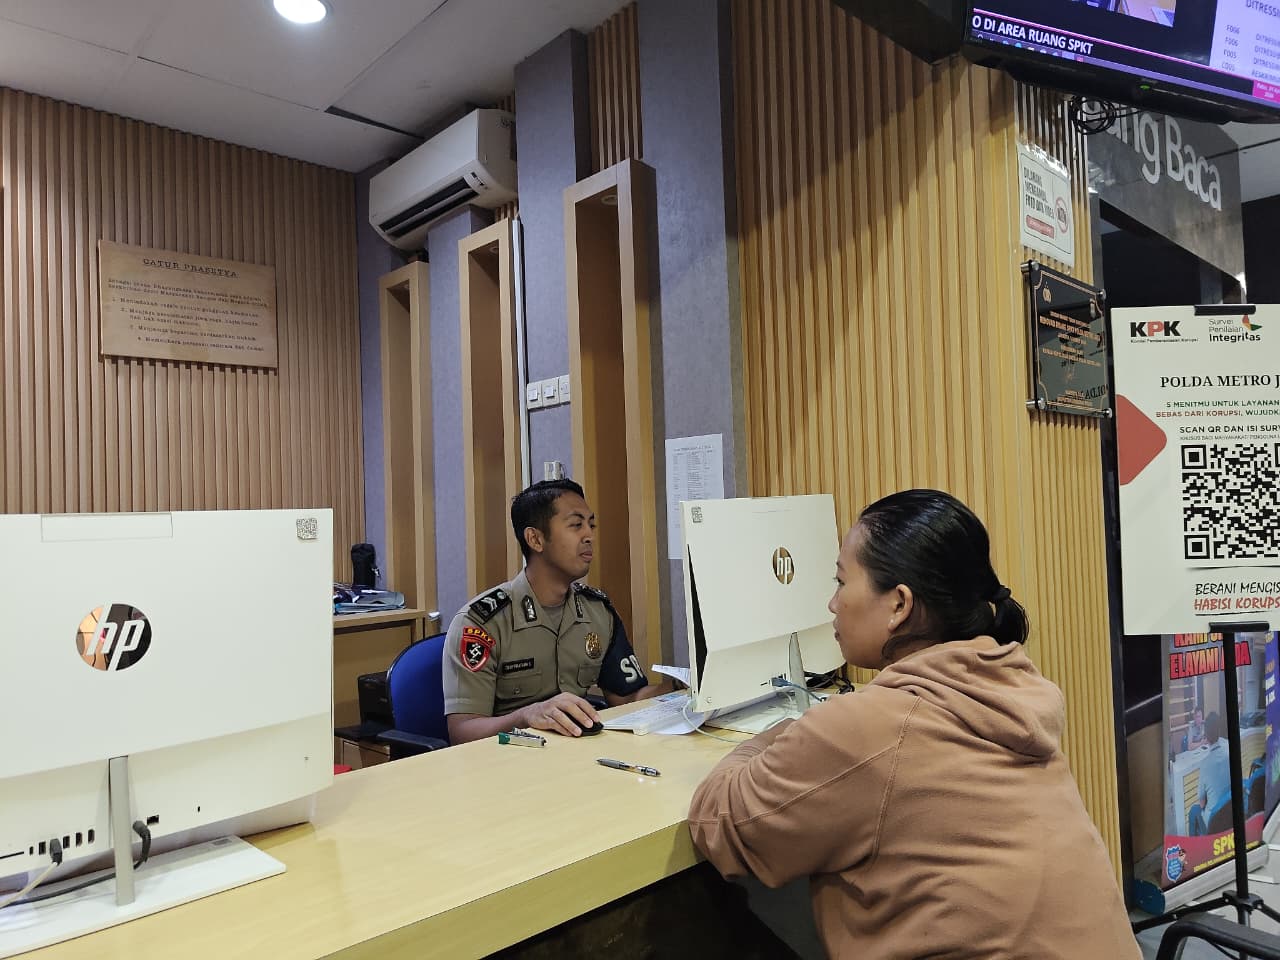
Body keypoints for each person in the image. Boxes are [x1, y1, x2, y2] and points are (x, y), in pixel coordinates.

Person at [688, 489, 1139, 959]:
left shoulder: (873, 728)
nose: (832, 604)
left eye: (841, 582)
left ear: (899, 605)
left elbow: (720, 823)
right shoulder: (1008, 687)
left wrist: (773, 736)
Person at [443, 478, 666, 744]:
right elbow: (462, 732)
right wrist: (527, 716)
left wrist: (684, 687)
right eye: (576, 525)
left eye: (591, 525)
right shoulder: (482, 622)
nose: (589, 536)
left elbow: (628, 698)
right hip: (509, 759)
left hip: (578, 753)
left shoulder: (598, 612)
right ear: (535, 539)